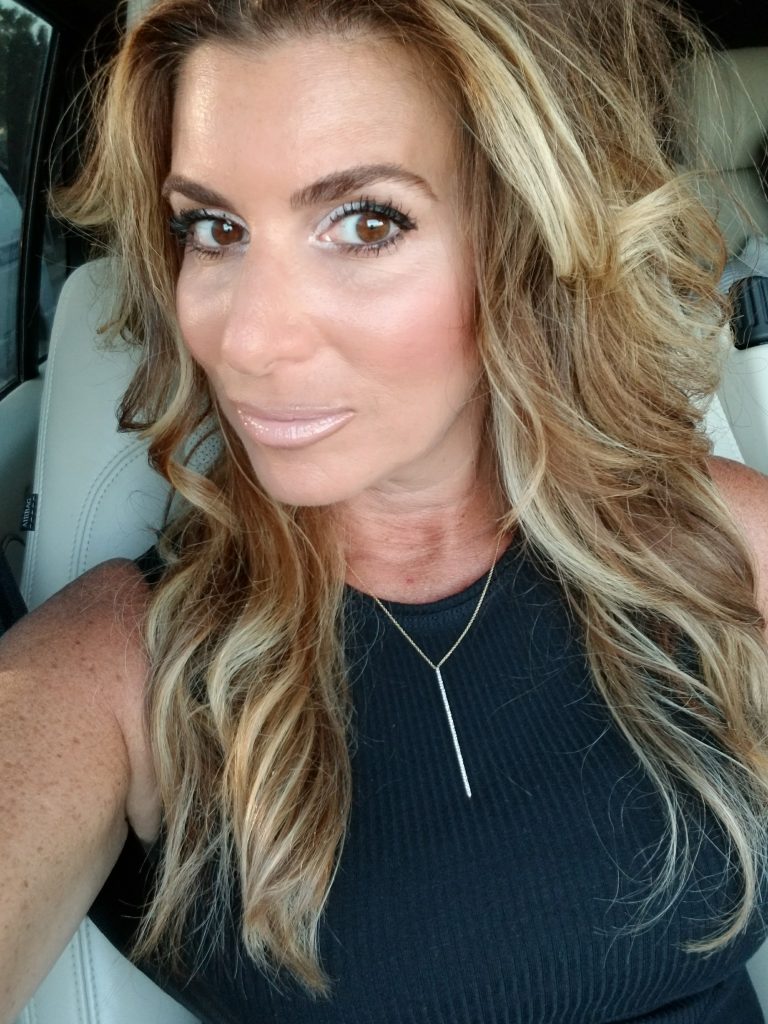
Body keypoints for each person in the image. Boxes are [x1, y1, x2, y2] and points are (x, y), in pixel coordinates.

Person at [3, 0, 768, 1020]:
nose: (247, 340)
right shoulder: (120, 661)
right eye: (214, 229)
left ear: (525, 234)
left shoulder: (727, 546)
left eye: (367, 223)